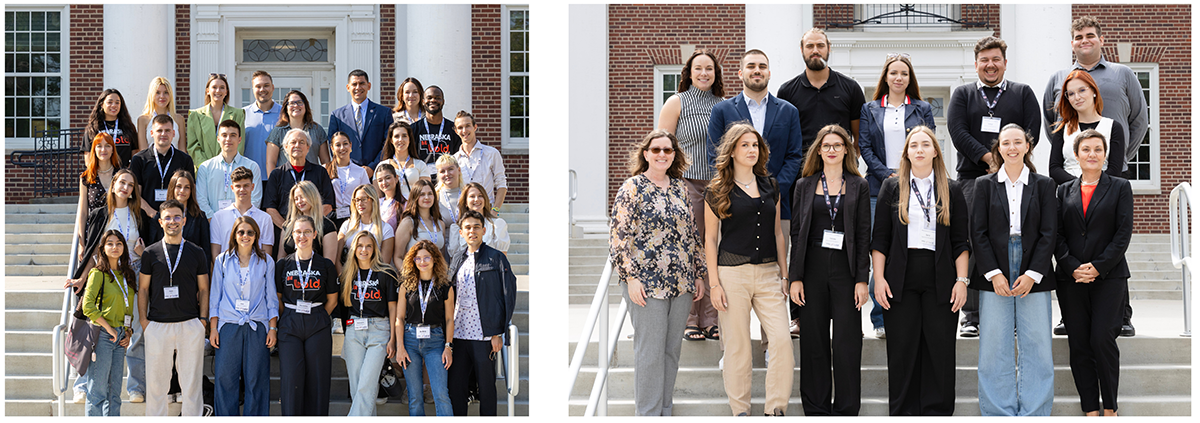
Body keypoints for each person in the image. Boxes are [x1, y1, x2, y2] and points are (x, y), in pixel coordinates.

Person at [947, 36, 1041, 338]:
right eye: (984, 60)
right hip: (973, 179)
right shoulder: (962, 94)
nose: (990, 65)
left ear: (1004, 62)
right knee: (975, 241)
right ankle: (972, 315)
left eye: (995, 59)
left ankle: (1014, 311)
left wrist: (1008, 162)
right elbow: (957, 131)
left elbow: (1032, 131)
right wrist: (989, 158)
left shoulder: (1022, 93)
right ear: (976, 64)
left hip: (1016, 178)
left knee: (1014, 239)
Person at [872, 126, 970, 415]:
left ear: (935, 150)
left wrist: (962, 280)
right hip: (899, 278)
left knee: (938, 350)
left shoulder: (951, 189)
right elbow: (880, 239)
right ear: (906, 153)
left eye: (925, 144)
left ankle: (937, 412)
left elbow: (960, 242)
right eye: (913, 145)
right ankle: (903, 413)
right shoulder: (892, 187)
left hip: (941, 278)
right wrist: (878, 278)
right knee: (902, 349)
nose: (919, 150)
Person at [608, 130, 706, 416]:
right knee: (649, 351)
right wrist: (631, 278)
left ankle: (664, 410)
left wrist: (698, 274)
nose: (662, 155)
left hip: (682, 282)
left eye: (668, 150)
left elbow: (692, 235)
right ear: (646, 154)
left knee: (671, 350)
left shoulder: (680, 189)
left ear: (675, 155)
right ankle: (648, 415)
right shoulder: (632, 187)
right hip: (645, 284)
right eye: (656, 150)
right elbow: (618, 236)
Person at [708, 48, 805, 338]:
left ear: (769, 73)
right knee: (733, 278)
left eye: (762, 66)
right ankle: (731, 347)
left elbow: (794, 156)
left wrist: (771, 190)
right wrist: (740, 189)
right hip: (733, 208)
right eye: (751, 66)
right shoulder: (723, 110)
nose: (757, 70)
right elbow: (717, 155)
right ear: (740, 73)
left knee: (770, 278)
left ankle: (768, 344)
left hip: (776, 206)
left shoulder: (788, 111)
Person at [702, 123, 792, 416]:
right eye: (745, 145)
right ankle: (740, 410)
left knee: (780, 340)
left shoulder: (770, 185)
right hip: (731, 275)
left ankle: (775, 409)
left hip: (768, 275)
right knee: (738, 346)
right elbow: (711, 239)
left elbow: (778, 233)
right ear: (732, 151)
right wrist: (714, 284)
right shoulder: (717, 189)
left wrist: (784, 274)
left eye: (755, 145)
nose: (752, 150)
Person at [970, 123, 1058, 416]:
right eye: (1005, 143)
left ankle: (1034, 411)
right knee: (995, 343)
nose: (1011, 148)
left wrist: (1033, 274)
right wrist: (993, 273)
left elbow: (1049, 233)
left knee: (1038, 342)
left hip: (1033, 262)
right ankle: (999, 412)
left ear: (1027, 146)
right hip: (996, 261)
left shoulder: (1044, 185)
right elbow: (977, 233)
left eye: (1017, 142)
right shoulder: (984, 185)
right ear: (998, 148)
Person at [788, 124, 870, 415]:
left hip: (846, 271)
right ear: (819, 151)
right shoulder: (804, 185)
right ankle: (816, 408)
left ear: (846, 150)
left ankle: (847, 409)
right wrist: (795, 278)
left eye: (838, 145)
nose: (832, 149)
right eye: (827, 145)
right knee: (814, 342)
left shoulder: (859, 185)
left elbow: (863, 235)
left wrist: (863, 280)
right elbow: (796, 234)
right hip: (812, 268)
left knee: (847, 342)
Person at [1055, 130, 1132, 417]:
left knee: (1101, 338)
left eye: (1097, 149)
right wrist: (1071, 265)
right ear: (1076, 155)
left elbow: (1123, 233)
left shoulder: (1120, 187)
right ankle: (1090, 407)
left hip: (1109, 278)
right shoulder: (1063, 191)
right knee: (1079, 343)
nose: (1092, 154)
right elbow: (1057, 235)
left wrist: (1098, 267)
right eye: (1086, 149)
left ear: (1104, 155)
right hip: (1071, 279)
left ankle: (1110, 407)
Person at [858, 53, 936, 339]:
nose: (899, 78)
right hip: (880, 188)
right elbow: (864, 148)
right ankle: (879, 318)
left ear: (909, 78)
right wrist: (888, 176)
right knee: (880, 249)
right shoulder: (870, 109)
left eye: (904, 73)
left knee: (905, 249)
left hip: (915, 186)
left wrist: (906, 174)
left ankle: (899, 312)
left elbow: (927, 142)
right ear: (886, 77)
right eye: (894, 73)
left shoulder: (922, 108)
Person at [657, 51, 725, 340]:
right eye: (698, 68)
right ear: (689, 71)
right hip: (688, 184)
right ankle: (690, 318)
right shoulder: (677, 102)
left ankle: (712, 318)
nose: (704, 73)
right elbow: (661, 146)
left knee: (716, 250)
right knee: (691, 250)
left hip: (719, 186)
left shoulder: (724, 105)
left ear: (716, 73)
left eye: (709, 68)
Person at [67, 169, 148, 404]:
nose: (126, 187)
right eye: (122, 182)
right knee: (93, 331)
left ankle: (135, 387)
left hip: (131, 276)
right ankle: (81, 385)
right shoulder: (102, 213)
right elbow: (93, 247)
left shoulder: (137, 214)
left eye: (130, 185)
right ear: (113, 185)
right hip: (105, 276)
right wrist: (83, 277)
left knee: (135, 331)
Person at [1042, 16, 1148, 179]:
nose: (1084, 40)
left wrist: (1120, 155)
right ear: (1072, 45)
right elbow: (1052, 125)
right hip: (1070, 175)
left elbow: (1139, 120)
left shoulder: (1123, 74)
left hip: (1114, 172)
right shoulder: (1058, 78)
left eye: (1090, 36)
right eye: (1079, 37)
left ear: (1101, 40)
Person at [137, 199, 211, 416]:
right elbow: (142, 290)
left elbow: (204, 289)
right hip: (158, 325)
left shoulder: (196, 252)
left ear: (184, 220)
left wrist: (203, 320)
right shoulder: (150, 253)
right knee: (157, 386)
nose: (172, 221)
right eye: (167, 217)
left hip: (190, 324)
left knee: (191, 386)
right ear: (160, 222)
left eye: (177, 217)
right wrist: (144, 322)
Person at [447, 210, 517, 416]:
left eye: (476, 227)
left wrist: (498, 333)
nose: (472, 231)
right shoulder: (457, 259)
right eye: (467, 227)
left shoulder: (496, 259)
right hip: (458, 335)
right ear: (461, 232)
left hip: (484, 335)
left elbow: (507, 296)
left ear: (484, 230)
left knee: (486, 388)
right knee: (457, 388)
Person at [208, 217, 278, 416]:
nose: (245, 236)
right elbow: (215, 296)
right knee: (225, 377)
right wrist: (213, 328)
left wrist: (272, 328)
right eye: (241, 232)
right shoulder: (222, 260)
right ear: (234, 235)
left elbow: (271, 298)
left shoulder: (266, 261)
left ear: (256, 236)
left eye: (250, 232)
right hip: (228, 324)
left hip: (257, 324)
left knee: (256, 379)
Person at [274, 215, 339, 416]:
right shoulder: (283, 265)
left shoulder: (325, 265)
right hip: (290, 324)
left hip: (317, 322)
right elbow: (278, 299)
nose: (302, 236)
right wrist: (290, 317)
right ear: (292, 235)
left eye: (307, 232)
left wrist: (318, 316)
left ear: (315, 234)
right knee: (291, 380)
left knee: (318, 381)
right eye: (298, 232)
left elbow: (332, 300)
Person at [778, 28, 867, 154]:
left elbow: (860, 138)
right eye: (810, 46)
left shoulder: (851, 88)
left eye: (820, 45)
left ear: (829, 48)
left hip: (840, 169)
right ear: (802, 50)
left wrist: (849, 163)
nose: (815, 50)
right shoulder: (786, 91)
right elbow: (783, 139)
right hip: (802, 171)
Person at [339, 231, 399, 415]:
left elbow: (392, 309)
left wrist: (393, 339)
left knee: (367, 383)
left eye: (368, 246)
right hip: (354, 330)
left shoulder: (386, 273)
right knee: (357, 387)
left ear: (375, 249)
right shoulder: (347, 275)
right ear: (353, 249)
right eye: (360, 246)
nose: (364, 250)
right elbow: (343, 309)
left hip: (379, 330)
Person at [81, 230, 138, 416]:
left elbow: (128, 308)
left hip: (121, 336)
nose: (115, 247)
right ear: (103, 248)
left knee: (115, 393)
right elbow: (87, 307)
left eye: (119, 243)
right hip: (103, 336)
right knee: (97, 391)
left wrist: (128, 332)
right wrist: (108, 328)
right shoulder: (97, 273)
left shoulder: (126, 274)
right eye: (110, 243)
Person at [397, 239, 456, 416]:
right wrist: (400, 346)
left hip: (436, 341)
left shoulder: (445, 286)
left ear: (435, 259)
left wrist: (448, 347)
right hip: (410, 340)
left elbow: (449, 319)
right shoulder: (406, 285)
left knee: (441, 394)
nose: (422, 262)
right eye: (418, 258)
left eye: (426, 258)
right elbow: (399, 318)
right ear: (412, 261)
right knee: (415, 396)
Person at [1049, 70, 1126, 184]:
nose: (1077, 97)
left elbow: (1115, 169)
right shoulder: (1063, 129)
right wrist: (1079, 186)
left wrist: (1094, 187)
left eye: (1082, 90)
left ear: (1094, 91)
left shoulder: (1113, 127)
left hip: (1104, 194)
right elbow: (1054, 169)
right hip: (1069, 194)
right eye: (1071, 94)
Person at [263, 129, 336, 244]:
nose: (297, 145)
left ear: (308, 147)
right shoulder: (276, 174)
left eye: (302, 142)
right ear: (285, 147)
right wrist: (290, 229)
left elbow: (328, 205)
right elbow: (270, 209)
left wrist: (308, 228)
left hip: (314, 234)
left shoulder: (320, 172)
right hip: (285, 235)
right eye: (293, 142)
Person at [130, 114, 196, 221]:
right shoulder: (139, 159)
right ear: (152, 133)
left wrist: (174, 215)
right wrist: (153, 213)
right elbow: (136, 194)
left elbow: (191, 192)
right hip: (147, 220)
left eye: (167, 130)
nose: (163, 134)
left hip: (176, 221)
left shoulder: (185, 159)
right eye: (159, 130)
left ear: (173, 133)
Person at [327, 69, 394, 169]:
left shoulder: (383, 113)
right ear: (348, 87)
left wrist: (372, 167)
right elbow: (332, 144)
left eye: (362, 83)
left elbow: (388, 143)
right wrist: (350, 168)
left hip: (376, 172)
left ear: (369, 86)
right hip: (347, 172)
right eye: (354, 84)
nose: (358, 87)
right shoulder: (337, 116)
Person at [196, 120, 263, 218]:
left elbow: (255, 200)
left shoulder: (252, 167)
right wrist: (214, 220)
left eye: (233, 135)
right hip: (213, 224)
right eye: (224, 135)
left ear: (239, 139)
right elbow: (201, 199)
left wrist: (240, 222)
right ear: (218, 139)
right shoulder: (205, 167)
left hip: (242, 225)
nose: (228, 139)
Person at [211, 166, 275, 258]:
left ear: (252, 187)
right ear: (232, 188)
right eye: (238, 186)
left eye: (246, 185)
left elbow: (267, 255)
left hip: (255, 271)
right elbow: (215, 253)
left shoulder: (265, 218)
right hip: (227, 271)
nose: (242, 190)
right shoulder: (218, 217)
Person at [76, 133, 121, 257]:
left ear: (113, 150)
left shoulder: (121, 174)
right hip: (94, 231)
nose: (103, 150)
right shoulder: (86, 177)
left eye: (107, 146)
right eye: (99, 146)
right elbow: (84, 212)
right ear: (94, 150)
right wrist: (81, 243)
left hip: (117, 230)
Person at [187, 73, 246, 166]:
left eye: (222, 87)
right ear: (208, 91)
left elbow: (240, 144)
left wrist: (229, 165)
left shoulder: (238, 114)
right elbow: (193, 146)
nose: (218, 90)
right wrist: (207, 167)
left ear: (226, 92)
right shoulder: (195, 115)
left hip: (230, 168)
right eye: (214, 87)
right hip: (203, 169)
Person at [453, 111, 507, 208]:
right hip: (464, 212)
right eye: (460, 127)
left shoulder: (492, 153)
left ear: (475, 127)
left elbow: (501, 184)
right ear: (456, 131)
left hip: (487, 209)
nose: (464, 130)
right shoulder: (454, 159)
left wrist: (495, 211)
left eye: (468, 126)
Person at [266, 90, 329, 173]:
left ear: (305, 106)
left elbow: (325, 161)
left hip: (313, 182)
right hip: (286, 182)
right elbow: (271, 162)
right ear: (286, 108)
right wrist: (273, 184)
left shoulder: (317, 130)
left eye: (299, 102)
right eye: (291, 103)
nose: (296, 105)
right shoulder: (278, 131)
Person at [278, 181, 340, 264]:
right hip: (290, 275)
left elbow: (329, 264)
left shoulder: (327, 226)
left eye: (302, 197)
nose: (299, 201)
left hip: (316, 275)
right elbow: (281, 259)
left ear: (313, 196)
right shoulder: (288, 225)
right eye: (296, 199)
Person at [338, 185, 396, 271]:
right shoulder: (347, 225)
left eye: (364, 199)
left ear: (373, 200)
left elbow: (384, 263)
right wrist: (343, 278)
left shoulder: (386, 229)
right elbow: (336, 257)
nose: (360, 203)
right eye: (357, 200)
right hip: (349, 277)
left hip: (373, 279)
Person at [162, 170, 212, 265]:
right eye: (178, 186)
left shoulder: (200, 217)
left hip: (192, 270)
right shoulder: (161, 216)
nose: (182, 191)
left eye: (187, 187)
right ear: (172, 188)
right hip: (166, 269)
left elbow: (206, 251)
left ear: (191, 191)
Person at [242, 71, 282, 182]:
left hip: (277, 178)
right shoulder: (242, 114)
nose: (262, 89)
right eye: (258, 86)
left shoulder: (284, 114)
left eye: (266, 85)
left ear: (273, 87)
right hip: (248, 179)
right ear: (252, 89)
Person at [326, 131, 372, 228]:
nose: (342, 148)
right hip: (332, 217)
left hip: (355, 216)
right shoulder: (325, 170)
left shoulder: (360, 171)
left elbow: (368, 197)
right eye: (338, 145)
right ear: (332, 148)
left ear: (350, 146)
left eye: (345, 144)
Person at [451, 182, 509, 258]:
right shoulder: (456, 228)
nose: (476, 199)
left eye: (480, 196)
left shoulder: (497, 224)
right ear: (465, 202)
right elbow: (454, 259)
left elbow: (502, 258)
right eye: (472, 196)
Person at [85, 88, 140, 167]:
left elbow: (135, 153)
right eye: (110, 102)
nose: (114, 105)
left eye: (117, 103)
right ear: (101, 105)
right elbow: (88, 158)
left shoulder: (129, 127)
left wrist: (127, 173)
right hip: (102, 175)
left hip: (123, 176)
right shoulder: (93, 128)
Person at [380, 120, 433, 202]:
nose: (401, 139)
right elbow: (378, 197)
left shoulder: (420, 165)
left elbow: (425, 192)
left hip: (414, 211)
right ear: (391, 140)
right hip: (390, 211)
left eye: (404, 136)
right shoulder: (382, 166)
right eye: (396, 136)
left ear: (410, 139)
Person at [396, 179, 449, 260]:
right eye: (422, 194)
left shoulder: (440, 224)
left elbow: (442, 257)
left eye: (430, 194)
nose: (427, 197)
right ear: (415, 197)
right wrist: (409, 273)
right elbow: (397, 257)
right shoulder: (408, 222)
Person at [136, 77, 188, 153]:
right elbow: (143, 151)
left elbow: (182, 150)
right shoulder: (143, 120)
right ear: (152, 95)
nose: (162, 96)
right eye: (158, 93)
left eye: (166, 92)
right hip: (151, 163)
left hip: (175, 163)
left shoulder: (178, 119)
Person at [412, 86, 462, 164]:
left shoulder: (454, 129)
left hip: (447, 174)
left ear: (443, 101)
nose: (433, 100)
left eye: (437, 98)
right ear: (423, 101)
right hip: (421, 175)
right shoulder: (413, 129)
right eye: (429, 97)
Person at [435, 154, 465, 228]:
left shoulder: (468, 194)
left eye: (450, 169)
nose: (447, 174)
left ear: (459, 170)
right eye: (442, 171)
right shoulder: (435, 196)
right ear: (438, 175)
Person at [374, 162, 403, 231]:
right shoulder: (376, 203)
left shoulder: (405, 204)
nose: (384, 182)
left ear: (396, 178)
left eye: (387, 178)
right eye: (380, 180)